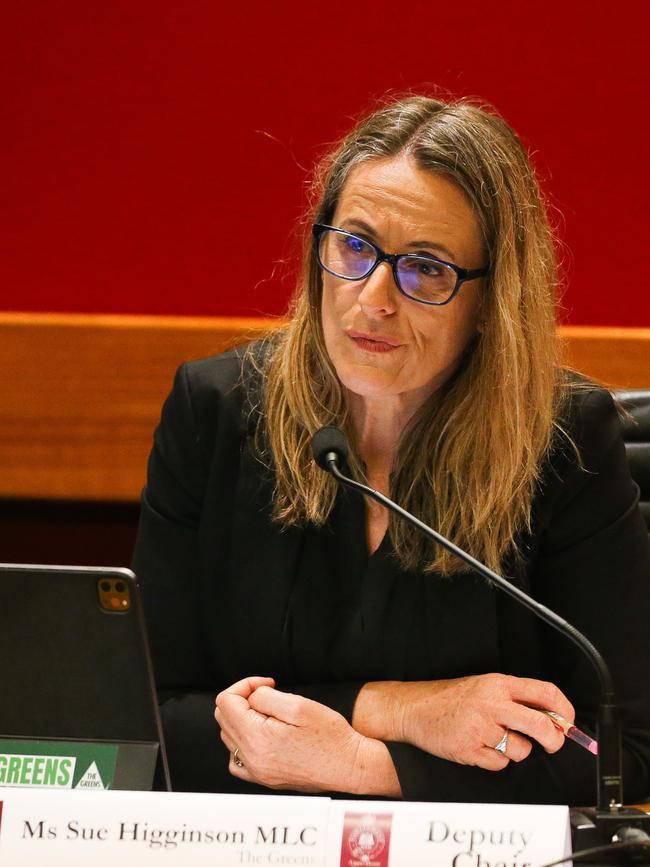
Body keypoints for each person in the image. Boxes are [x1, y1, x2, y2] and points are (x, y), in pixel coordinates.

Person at [133, 94, 650, 804]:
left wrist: (365, 765)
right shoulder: (215, 413)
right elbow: (142, 724)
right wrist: (400, 708)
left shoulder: (563, 445)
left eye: (427, 268)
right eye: (354, 246)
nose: (372, 297)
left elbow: (623, 749)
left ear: (490, 300)